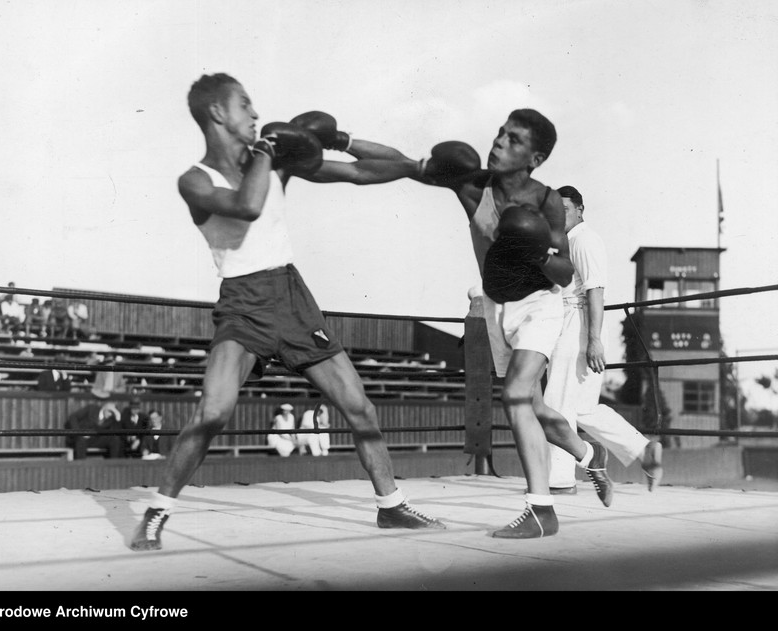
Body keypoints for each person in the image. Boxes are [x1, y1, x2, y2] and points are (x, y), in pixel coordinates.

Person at [130, 73, 445, 551]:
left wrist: (395, 159)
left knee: (358, 406)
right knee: (213, 412)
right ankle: (157, 511)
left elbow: (362, 173)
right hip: (243, 303)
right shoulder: (196, 179)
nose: (256, 115)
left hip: (292, 297)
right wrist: (269, 152)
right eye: (244, 105)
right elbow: (246, 206)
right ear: (217, 113)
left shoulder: (274, 162)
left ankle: (392, 506)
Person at [413, 110, 613, 538]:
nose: (500, 141)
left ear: (534, 157)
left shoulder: (544, 203)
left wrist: (536, 250)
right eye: (501, 133)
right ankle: (588, 454)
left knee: (517, 395)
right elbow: (393, 167)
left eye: (514, 139)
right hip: (496, 307)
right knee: (533, 407)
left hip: (540, 304)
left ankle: (542, 510)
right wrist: (343, 141)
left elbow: (562, 274)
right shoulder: (472, 186)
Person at [545, 185, 664, 493]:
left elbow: (595, 290)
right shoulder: (568, 240)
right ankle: (643, 450)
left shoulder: (583, 239)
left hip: (578, 325)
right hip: (575, 324)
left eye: (566, 209)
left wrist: (594, 339)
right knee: (583, 408)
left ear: (580, 210)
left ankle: (559, 479)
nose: (560, 215)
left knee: (558, 403)